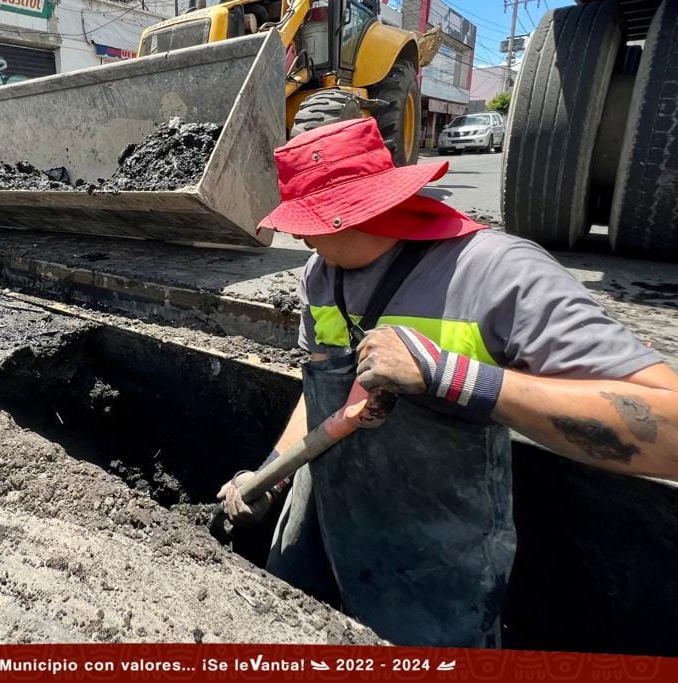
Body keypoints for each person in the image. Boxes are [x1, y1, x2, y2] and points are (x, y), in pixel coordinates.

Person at [217, 118, 678, 647]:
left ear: (349, 214)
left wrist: (454, 377)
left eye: (304, 220)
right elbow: (321, 389)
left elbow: (669, 430)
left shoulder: (497, 274)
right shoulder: (321, 275)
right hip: (324, 517)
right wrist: (274, 473)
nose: (296, 234)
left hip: (431, 552)